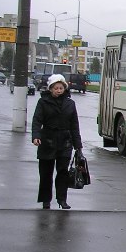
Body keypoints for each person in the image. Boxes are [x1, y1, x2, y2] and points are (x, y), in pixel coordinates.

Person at [32, 74, 83, 209]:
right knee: (46, 173)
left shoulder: (70, 104)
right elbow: (37, 120)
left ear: (64, 89)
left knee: (62, 172)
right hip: (47, 141)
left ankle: (62, 200)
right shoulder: (43, 102)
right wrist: (36, 136)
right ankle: (45, 200)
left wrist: (78, 146)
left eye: (61, 88)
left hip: (65, 142)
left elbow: (74, 125)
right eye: (56, 88)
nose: (59, 90)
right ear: (50, 89)